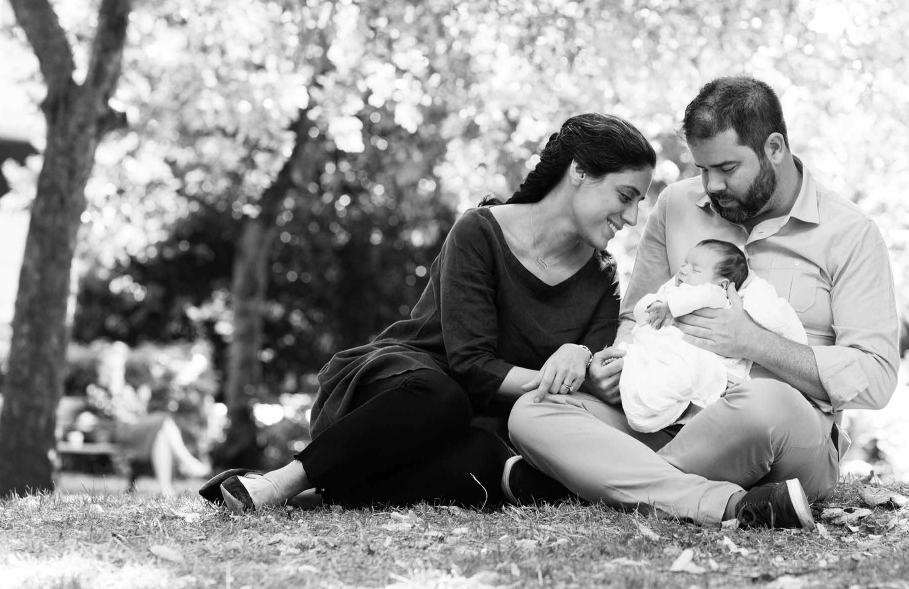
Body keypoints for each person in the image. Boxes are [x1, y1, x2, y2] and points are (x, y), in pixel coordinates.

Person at [199, 113, 656, 512]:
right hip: (403, 393)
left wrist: (587, 363)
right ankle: (284, 481)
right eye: (626, 196)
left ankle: (323, 486)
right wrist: (559, 372)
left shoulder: (603, 278)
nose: (633, 217)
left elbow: (588, 382)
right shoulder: (479, 232)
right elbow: (471, 367)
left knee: (501, 466)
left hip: (482, 427)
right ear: (579, 171)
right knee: (446, 400)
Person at [505, 76, 900, 530]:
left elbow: (876, 377)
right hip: (666, 414)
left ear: (774, 148)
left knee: (766, 401)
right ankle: (732, 505)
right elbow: (637, 318)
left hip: (783, 432)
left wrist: (755, 342)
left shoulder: (850, 234)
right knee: (532, 411)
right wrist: (617, 366)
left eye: (727, 168)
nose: (711, 185)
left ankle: (596, 480)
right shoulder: (675, 206)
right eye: (702, 168)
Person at [619, 238, 807, 433]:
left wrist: (670, 307)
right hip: (662, 353)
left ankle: (675, 404)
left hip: (689, 360)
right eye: (684, 264)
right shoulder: (671, 291)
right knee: (641, 365)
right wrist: (652, 306)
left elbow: (700, 296)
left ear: (723, 285)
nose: (683, 270)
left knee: (693, 372)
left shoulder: (716, 297)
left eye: (696, 269)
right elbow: (640, 313)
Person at [72, 341, 212, 495]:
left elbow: (139, 412)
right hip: (119, 432)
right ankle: (186, 462)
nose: (117, 371)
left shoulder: (127, 390)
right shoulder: (96, 390)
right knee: (164, 420)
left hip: (135, 428)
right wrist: (114, 391)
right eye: (113, 367)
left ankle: (167, 489)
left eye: (119, 367)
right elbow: (109, 414)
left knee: (162, 434)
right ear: (103, 368)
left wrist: (138, 399)